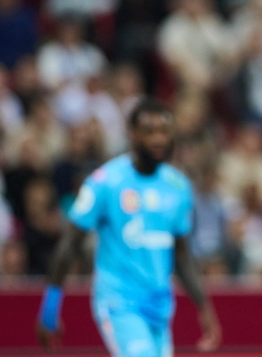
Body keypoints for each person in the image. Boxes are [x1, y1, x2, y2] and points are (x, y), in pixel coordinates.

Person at [36, 98, 221, 356]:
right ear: (132, 134)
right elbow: (69, 244)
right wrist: (50, 306)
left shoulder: (178, 186)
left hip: (160, 307)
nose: (159, 139)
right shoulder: (106, 182)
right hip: (119, 302)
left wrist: (204, 307)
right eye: (150, 131)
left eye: (164, 131)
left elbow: (181, 255)